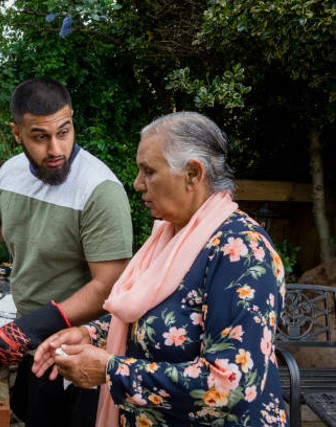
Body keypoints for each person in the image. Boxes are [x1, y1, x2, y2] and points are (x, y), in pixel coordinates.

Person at [33, 112, 288, 426]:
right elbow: (150, 321)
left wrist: (112, 371)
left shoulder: (241, 250)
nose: (138, 183)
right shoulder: (173, 237)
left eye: (149, 171)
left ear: (193, 173)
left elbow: (230, 385)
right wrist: (89, 334)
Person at [0, 77, 134, 426]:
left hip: (78, 351)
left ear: (72, 120)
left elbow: (109, 285)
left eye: (64, 132)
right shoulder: (10, 173)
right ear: (16, 132)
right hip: (28, 340)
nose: (56, 149)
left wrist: (32, 326)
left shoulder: (99, 189)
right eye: (40, 137)